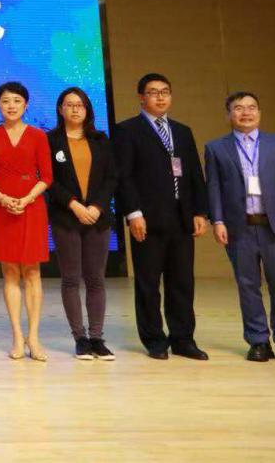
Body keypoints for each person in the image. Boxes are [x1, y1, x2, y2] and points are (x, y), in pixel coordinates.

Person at [205, 92, 275, 365]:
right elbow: (213, 188)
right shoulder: (215, 148)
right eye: (238, 108)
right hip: (239, 228)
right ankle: (258, 340)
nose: (246, 113)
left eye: (251, 108)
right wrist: (217, 221)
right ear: (229, 115)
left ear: (259, 113)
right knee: (248, 286)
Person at [113, 73, 210, 361]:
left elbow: (194, 174)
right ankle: (154, 339)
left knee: (182, 283)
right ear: (141, 97)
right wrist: (133, 213)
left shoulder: (182, 131)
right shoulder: (127, 130)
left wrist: (200, 211)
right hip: (147, 219)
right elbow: (123, 176)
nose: (160, 97)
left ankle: (183, 339)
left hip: (181, 218)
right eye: (153, 92)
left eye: (165, 91)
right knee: (148, 284)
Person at [0, 81, 52, 361]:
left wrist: (28, 198)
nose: (11, 106)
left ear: (26, 105)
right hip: (1, 207)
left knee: (32, 271)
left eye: (17, 101)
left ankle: (34, 337)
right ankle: (17, 337)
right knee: (10, 271)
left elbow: (47, 176)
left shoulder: (38, 136)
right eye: (6, 101)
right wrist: (2, 198)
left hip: (32, 206)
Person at [45, 87, 119, 361]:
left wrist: (97, 207)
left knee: (96, 279)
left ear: (87, 109)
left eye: (80, 105)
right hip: (66, 217)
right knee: (71, 278)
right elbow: (49, 180)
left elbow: (112, 177)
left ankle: (97, 338)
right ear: (60, 109)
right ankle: (80, 339)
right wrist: (74, 205)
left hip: (98, 218)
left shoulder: (100, 139)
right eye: (69, 104)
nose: (75, 109)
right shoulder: (50, 140)